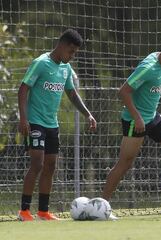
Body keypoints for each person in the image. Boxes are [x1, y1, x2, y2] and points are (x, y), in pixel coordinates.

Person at [102, 32, 161, 209]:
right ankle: (101, 205)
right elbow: (124, 91)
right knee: (125, 163)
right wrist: (137, 117)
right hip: (135, 120)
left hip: (151, 116)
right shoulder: (149, 67)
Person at [18, 29, 97, 221]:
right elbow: (23, 89)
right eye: (71, 51)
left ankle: (43, 211)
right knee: (37, 163)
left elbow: (71, 93)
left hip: (52, 124)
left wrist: (87, 114)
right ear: (61, 45)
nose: (72, 56)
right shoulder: (41, 63)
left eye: (75, 53)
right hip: (35, 122)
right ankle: (24, 211)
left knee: (51, 166)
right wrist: (23, 118)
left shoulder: (66, 69)